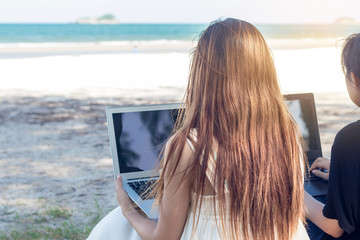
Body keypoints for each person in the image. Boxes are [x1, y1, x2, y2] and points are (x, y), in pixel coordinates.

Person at [88, 18, 309, 240]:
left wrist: (127, 209)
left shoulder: (188, 146)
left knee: (113, 226)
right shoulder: (287, 133)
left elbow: (164, 237)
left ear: (201, 73)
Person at [305, 33, 360, 240]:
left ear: (354, 78)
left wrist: (295, 194)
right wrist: (343, 173)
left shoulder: (350, 140)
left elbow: (335, 226)